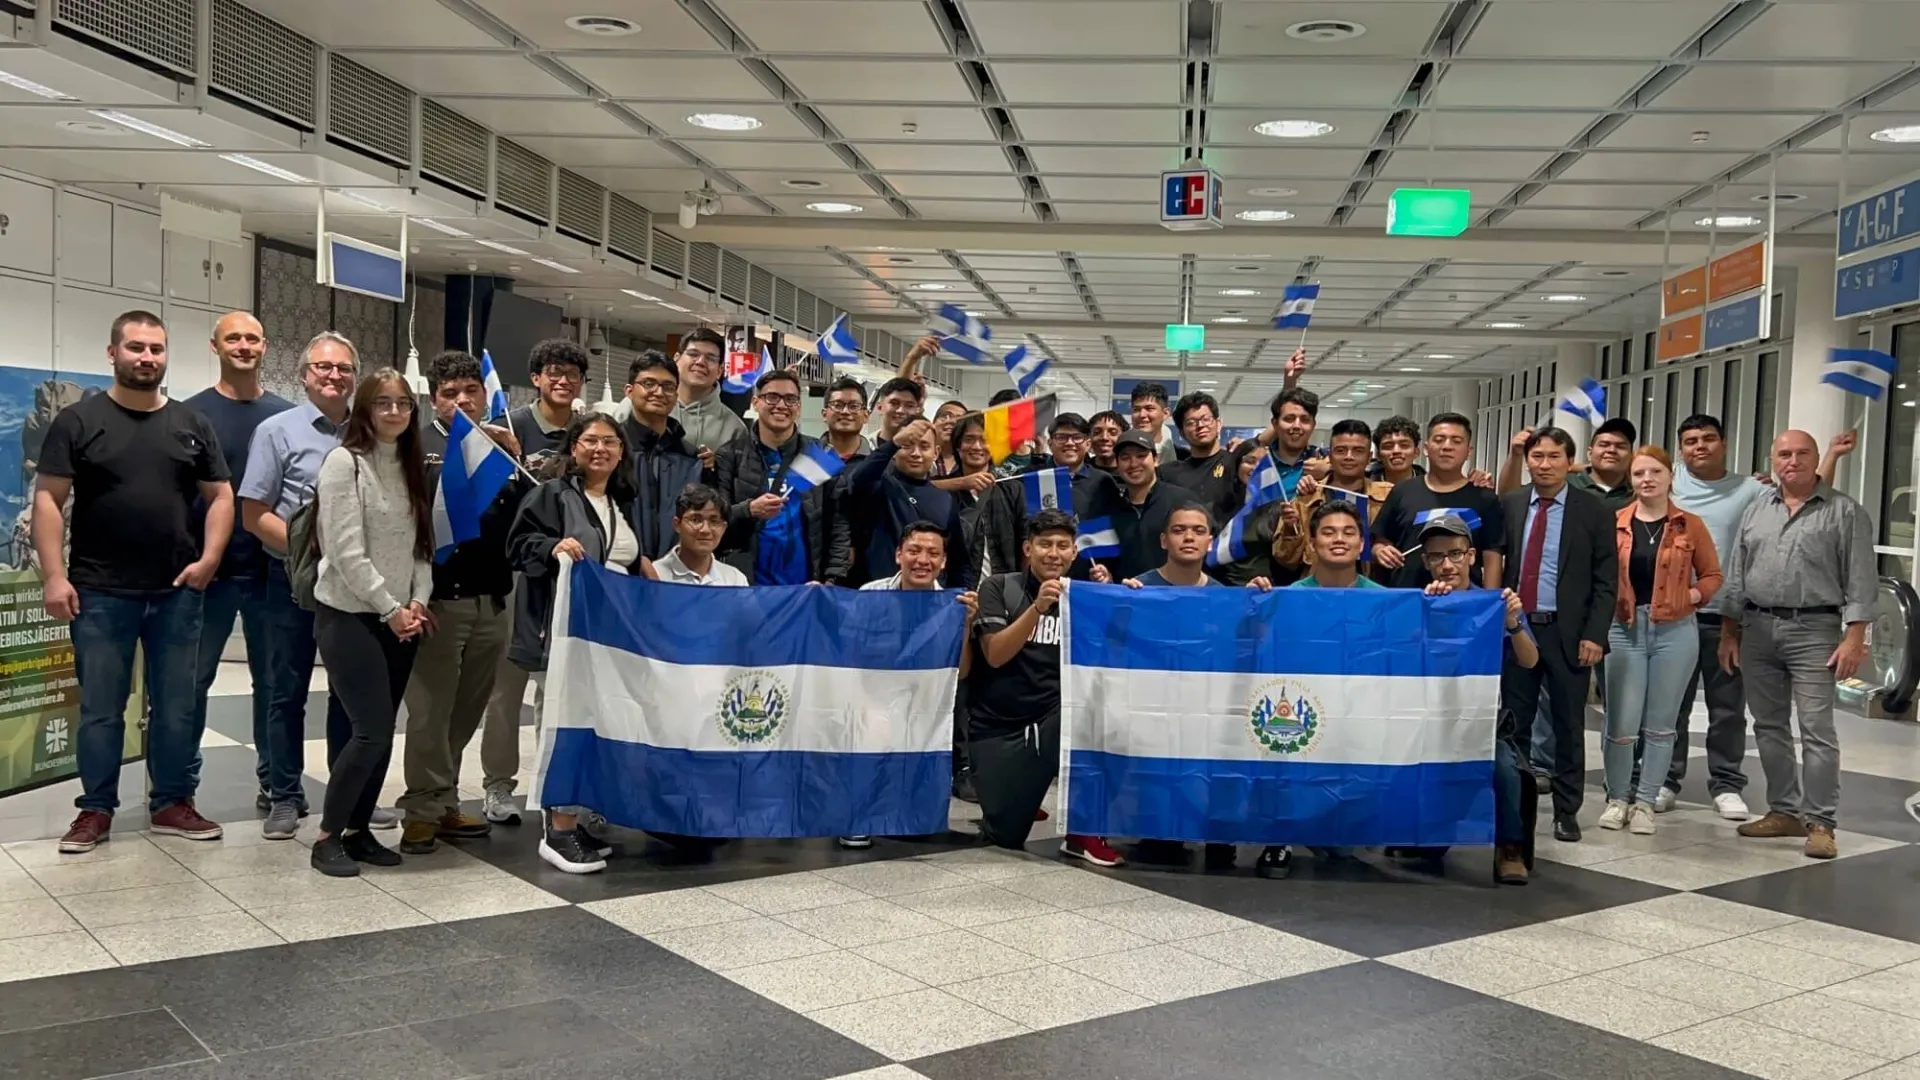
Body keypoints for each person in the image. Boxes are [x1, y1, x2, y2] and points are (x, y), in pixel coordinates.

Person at [38, 310, 234, 854]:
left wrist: (211, 558)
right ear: (112, 354)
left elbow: (221, 496)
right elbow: (49, 500)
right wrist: (54, 576)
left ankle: (172, 801)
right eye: (136, 348)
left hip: (177, 592)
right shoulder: (78, 422)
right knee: (102, 707)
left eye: (156, 349)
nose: (147, 358)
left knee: (177, 704)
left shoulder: (191, 424)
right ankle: (95, 811)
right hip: (99, 593)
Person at [397, 351, 531, 854]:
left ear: (484, 395)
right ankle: (421, 809)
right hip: (437, 600)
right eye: (449, 394)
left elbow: (522, 520)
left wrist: (514, 459)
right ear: (435, 399)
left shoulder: (500, 448)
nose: (461, 401)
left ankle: (445, 797)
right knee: (430, 711)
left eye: (469, 391)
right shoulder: (416, 444)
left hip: (491, 598)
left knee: (467, 710)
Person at [1719, 430, 1875, 860]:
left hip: (1815, 632)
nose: (1793, 460)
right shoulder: (1757, 510)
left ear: (1815, 458)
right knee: (1768, 726)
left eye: (1802, 453)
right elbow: (1736, 574)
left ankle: (1821, 821)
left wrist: (1855, 637)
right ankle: (1783, 810)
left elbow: (1861, 579)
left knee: (1816, 729)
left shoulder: (1845, 513)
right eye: (1784, 454)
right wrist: (1729, 632)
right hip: (1758, 628)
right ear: (1773, 459)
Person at [508, 413, 653, 874]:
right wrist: (552, 548)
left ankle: (575, 815)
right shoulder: (552, 495)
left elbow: (620, 558)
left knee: (591, 724)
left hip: (607, 642)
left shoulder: (621, 502)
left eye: (610, 441)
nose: (600, 449)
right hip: (563, 633)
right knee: (561, 723)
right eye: (590, 440)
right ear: (573, 448)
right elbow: (518, 545)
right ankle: (558, 829)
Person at [237, 331, 365, 838]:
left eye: (344, 369)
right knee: (284, 690)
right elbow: (253, 513)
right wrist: (310, 557)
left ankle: (347, 795)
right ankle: (285, 796)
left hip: (353, 586)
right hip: (290, 580)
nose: (334, 376)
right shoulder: (277, 431)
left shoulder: (370, 431)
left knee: (348, 693)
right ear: (304, 374)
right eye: (323, 367)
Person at [308, 369, 435, 877]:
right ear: (364, 408)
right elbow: (344, 552)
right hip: (349, 614)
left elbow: (421, 547)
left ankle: (359, 832)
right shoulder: (344, 464)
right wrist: (390, 607)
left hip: (400, 618)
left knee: (380, 731)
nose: (393, 412)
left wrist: (418, 602)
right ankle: (326, 837)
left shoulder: (410, 466)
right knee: (372, 731)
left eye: (402, 403)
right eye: (382, 403)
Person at [970, 509, 1124, 867]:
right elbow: (994, 655)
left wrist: (1117, 598)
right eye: (1044, 545)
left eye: (1062, 545)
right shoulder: (997, 587)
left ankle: (1083, 829)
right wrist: (1038, 608)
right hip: (1000, 725)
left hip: (1057, 716)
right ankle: (1022, 792)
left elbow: (1116, 656)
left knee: (1093, 714)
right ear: (1028, 548)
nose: (1053, 553)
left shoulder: (1085, 595)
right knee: (1006, 836)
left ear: (1074, 553)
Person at [1122, 503, 1270, 871]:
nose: (1188, 537)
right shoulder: (1140, 588)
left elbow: (1249, 654)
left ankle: (1220, 836)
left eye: (1198, 530)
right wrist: (1119, 604)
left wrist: (1257, 609)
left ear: (1209, 541)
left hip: (1208, 706)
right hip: (1157, 706)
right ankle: (1160, 833)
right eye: (1179, 529)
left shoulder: (1226, 597)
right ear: (1163, 539)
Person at [183, 312, 290, 810]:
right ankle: (179, 788)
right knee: (191, 681)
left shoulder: (286, 417)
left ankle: (275, 781)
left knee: (273, 684)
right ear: (215, 346)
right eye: (234, 338)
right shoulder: (190, 416)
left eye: (251, 338)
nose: (243, 346)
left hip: (273, 572)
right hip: (210, 574)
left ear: (264, 346)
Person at [1499, 427, 1617, 844]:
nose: (1544, 465)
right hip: (1518, 630)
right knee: (1515, 724)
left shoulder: (1594, 509)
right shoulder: (1512, 504)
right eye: (1537, 457)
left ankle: (1567, 811)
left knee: (1569, 725)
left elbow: (1606, 581)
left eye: (1553, 457)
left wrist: (1595, 635)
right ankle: (1515, 805)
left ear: (1570, 462)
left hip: (1568, 633)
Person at [1598, 447, 1722, 836]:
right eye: (1638, 473)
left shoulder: (1690, 525)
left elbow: (1713, 575)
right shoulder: (1614, 522)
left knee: (1662, 724)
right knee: (1621, 721)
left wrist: (1694, 597)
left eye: (1655, 471)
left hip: (1675, 630)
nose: (1646, 479)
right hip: (1624, 626)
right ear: (1630, 480)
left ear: (1671, 476)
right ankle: (1618, 798)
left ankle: (1646, 802)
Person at [1418, 514, 1538, 886]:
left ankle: (1510, 848)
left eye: (1455, 554)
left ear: (1471, 556)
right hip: (1425, 721)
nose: (1447, 564)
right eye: (1437, 556)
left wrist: (1513, 622)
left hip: (1481, 722)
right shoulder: (1416, 603)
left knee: (1504, 767)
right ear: (1425, 562)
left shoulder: (1493, 604)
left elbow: (1530, 659)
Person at [845, 520, 980, 847]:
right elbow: (849, 653)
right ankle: (856, 816)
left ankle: (915, 812)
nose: (923, 560)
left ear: (944, 561)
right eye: (914, 551)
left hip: (925, 699)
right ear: (898, 555)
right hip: (872, 692)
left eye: (933, 553)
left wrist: (964, 627)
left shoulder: (955, 604)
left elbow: (960, 673)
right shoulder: (871, 594)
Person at [1661, 413, 1768, 819]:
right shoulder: (1669, 481)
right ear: (1681, 448)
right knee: (1672, 705)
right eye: (1690, 440)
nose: (1699, 446)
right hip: (1674, 615)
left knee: (1727, 708)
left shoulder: (1751, 491)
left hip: (1727, 618)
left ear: (1724, 442)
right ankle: (1666, 779)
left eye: (1708, 438)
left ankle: (1726, 784)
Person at [712, 369, 825, 584]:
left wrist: (831, 579)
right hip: (747, 582)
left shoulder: (816, 453)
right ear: (755, 402)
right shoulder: (730, 455)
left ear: (798, 407)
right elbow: (716, 516)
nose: (781, 405)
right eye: (772, 397)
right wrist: (749, 509)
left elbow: (835, 520)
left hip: (804, 585)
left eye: (790, 399)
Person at [831, 417, 971, 588]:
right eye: (907, 445)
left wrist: (961, 598)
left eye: (924, 447)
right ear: (896, 449)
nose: (916, 453)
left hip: (929, 601)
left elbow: (958, 559)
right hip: (878, 595)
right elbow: (858, 479)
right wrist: (894, 442)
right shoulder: (878, 484)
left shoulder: (944, 499)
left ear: (936, 452)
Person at [1372, 413, 1505, 590]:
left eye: (1456, 441)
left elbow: (1492, 557)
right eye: (1439, 440)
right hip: (1408, 598)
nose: (1447, 447)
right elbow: (1380, 539)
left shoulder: (1485, 498)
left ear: (1468, 451)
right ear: (1426, 448)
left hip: (1462, 601)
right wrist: (1381, 550)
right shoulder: (1403, 491)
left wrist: (1490, 603)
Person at [1272, 419, 1393, 581]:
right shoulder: (1306, 499)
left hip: (1373, 593)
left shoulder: (1388, 497)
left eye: (1358, 451)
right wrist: (1290, 528)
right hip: (1319, 592)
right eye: (1341, 450)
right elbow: (1286, 559)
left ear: (1369, 456)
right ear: (1330, 455)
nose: (1349, 457)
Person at [620, 351, 706, 559]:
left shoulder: (690, 458)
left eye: (668, 387)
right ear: (629, 391)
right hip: (618, 573)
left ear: (676, 396)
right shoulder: (612, 449)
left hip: (674, 574)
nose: (658, 392)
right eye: (648, 383)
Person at [1102, 430, 1198, 582]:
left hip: (1173, 596)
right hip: (1126, 596)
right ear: (1118, 464)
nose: (1133, 464)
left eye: (1141, 456)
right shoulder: (1111, 507)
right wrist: (1107, 576)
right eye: (1125, 458)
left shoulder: (1182, 501)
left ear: (1155, 460)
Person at [1162, 391, 1255, 528]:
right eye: (1191, 422)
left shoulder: (1237, 464)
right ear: (1181, 433)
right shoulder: (1168, 474)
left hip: (1229, 546)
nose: (1200, 426)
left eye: (1206, 419)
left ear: (1218, 424)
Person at [670, 327, 749, 466]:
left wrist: (719, 467)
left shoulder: (734, 429)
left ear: (719, 370)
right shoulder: (643, 405)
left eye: (710, 358)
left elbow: (741, 479)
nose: (700, 362)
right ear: (676, 360)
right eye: (693, 354)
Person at [506, 338, 588, 474]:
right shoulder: (509, 427)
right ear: (536, 378)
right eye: (554, 373)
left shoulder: (587, 430)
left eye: (573, 374)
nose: (564, 381)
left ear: (581, 381)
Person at [819, 375, 873, 462]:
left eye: (854, 406)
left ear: (866, 416)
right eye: (837, 405)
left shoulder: (881, 466)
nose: (845, 411)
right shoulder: (804, 461)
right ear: (824, 414)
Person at [1128, 383, 1179, 466]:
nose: (1142, 415)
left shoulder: (1179, 455)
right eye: (1136, 409)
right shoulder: (1118, 450)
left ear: (1166, 413)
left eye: (1149, 408)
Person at [868, 377, 926, 447]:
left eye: (909, 406)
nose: (901, 410)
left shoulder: (921, 451)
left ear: (916, 411)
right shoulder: (863, 447)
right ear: (880, 407)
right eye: (894, 403)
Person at [1368, 415, 1424, 484]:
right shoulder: (1365, 488)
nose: (1396, 451)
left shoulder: (1431, 487)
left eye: (1404, 445)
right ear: (1378, 455)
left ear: (1416, 452)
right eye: (1388, 446)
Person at [930, 400, 970, 480]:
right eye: (945, 416)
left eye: (959, 419)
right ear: (933, 423)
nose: (951, 421)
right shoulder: (921, 455)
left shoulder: (969, 459)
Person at [1088, 410, 1126, 474]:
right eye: (1097, 432)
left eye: (1113, 433)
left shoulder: (1131, 475)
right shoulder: (1079, 473)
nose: (1104, 437)